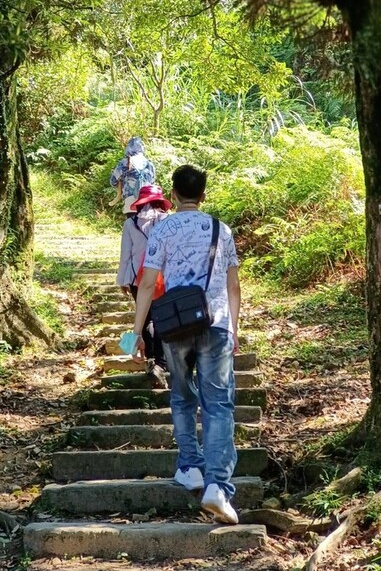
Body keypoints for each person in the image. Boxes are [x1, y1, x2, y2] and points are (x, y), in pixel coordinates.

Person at [130, 164, 241, 525]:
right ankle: (218, 487)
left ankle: (190, 467)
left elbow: (146, 285)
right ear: (203, 195)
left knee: (181, 396)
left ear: (173, 195)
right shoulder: (221, 230)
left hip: (175, 326)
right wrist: (234, 328)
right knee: (218, 404)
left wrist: (136, 335)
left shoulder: (162, 229)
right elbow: (233, 285)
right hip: (216, 324)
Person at [116, 184, 172, 386]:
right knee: (161, 318)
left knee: (146, 317)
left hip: (137, 278)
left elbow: (126, 254)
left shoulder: (131, 223)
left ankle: (150, 359)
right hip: (163, 276)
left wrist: (123, 279)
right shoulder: (169, 221)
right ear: (160, 201)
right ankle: (161, 363)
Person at [109, 137, 156, 214]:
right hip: (147, 200)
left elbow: (113, 180)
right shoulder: (149, 164)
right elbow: (153, 181)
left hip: (130, 200)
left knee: (131, 224)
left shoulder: (125, 162)